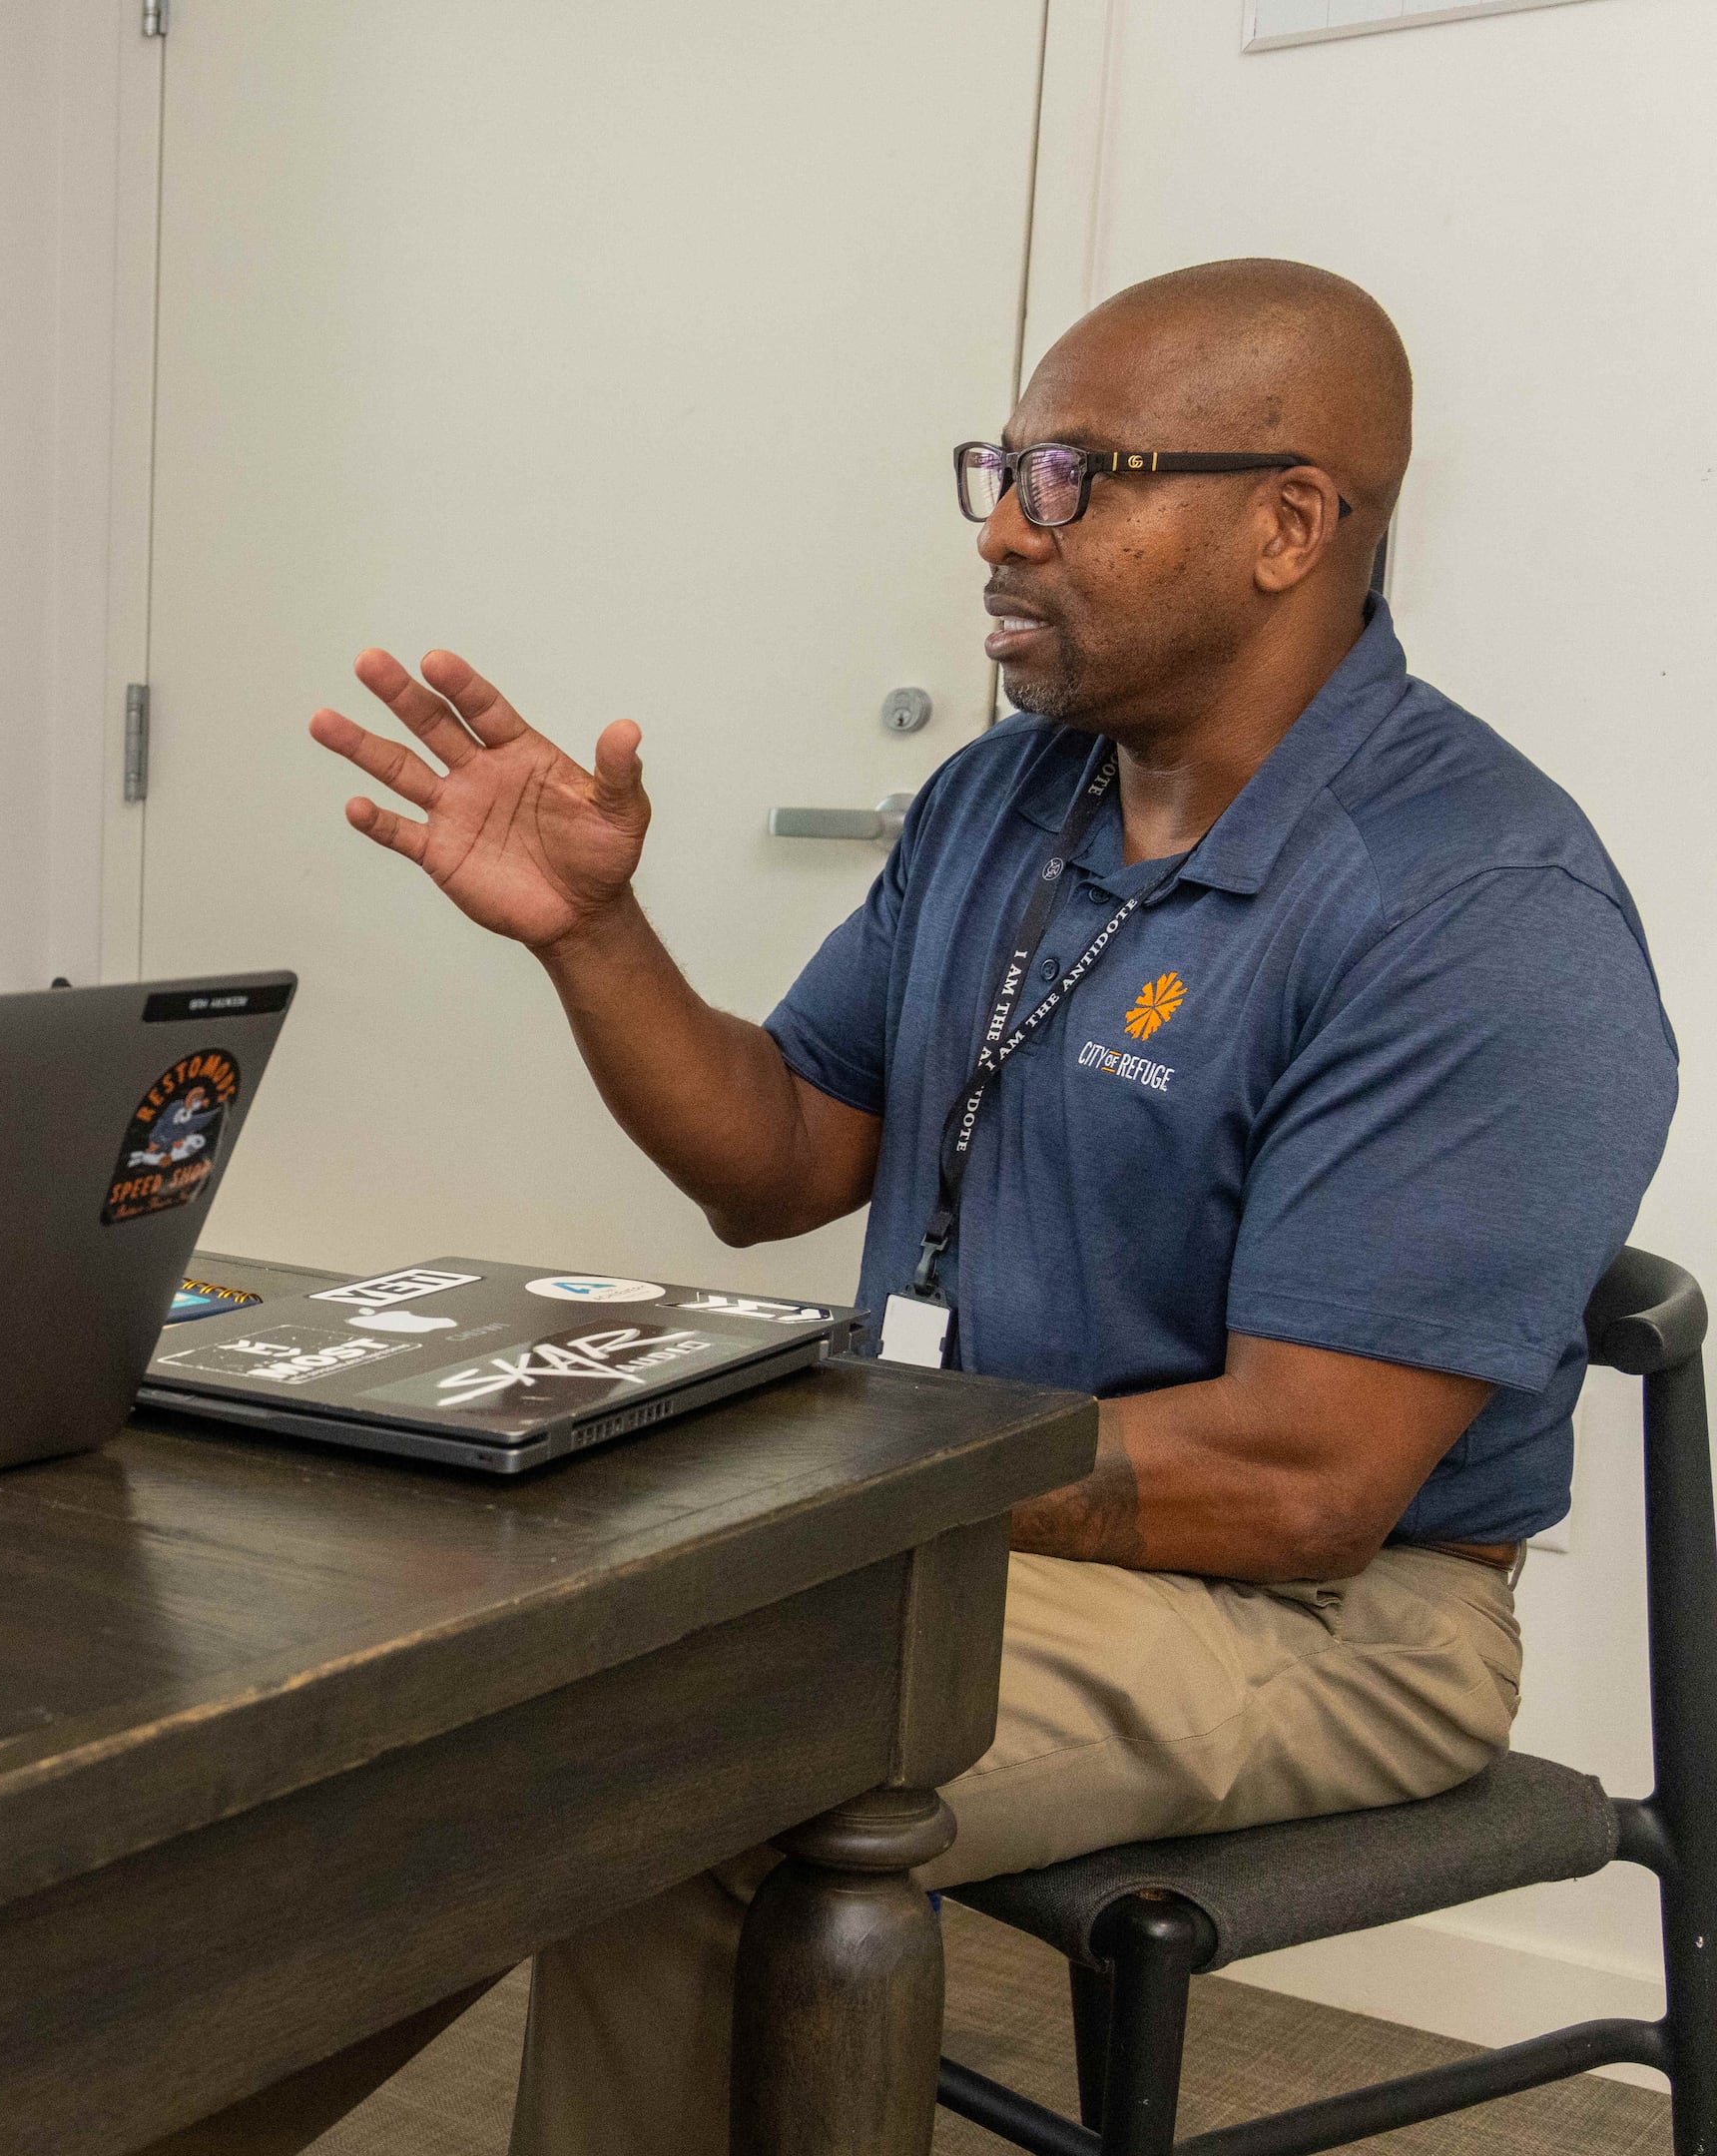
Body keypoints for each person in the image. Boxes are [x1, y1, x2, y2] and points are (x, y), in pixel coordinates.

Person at [301, 259, 1675, 2152]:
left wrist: (825, 1478)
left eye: (1074, 476)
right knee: (504, 1681)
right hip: (974, 1521)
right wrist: (596, 938)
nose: (1002, 537)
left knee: (672, 1768)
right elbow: (773, 1163)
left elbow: (1303, 1488)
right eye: (1002, 470)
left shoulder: (1476, 910)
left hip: (1339, 1621)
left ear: (1290, 523)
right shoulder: (999, 803)